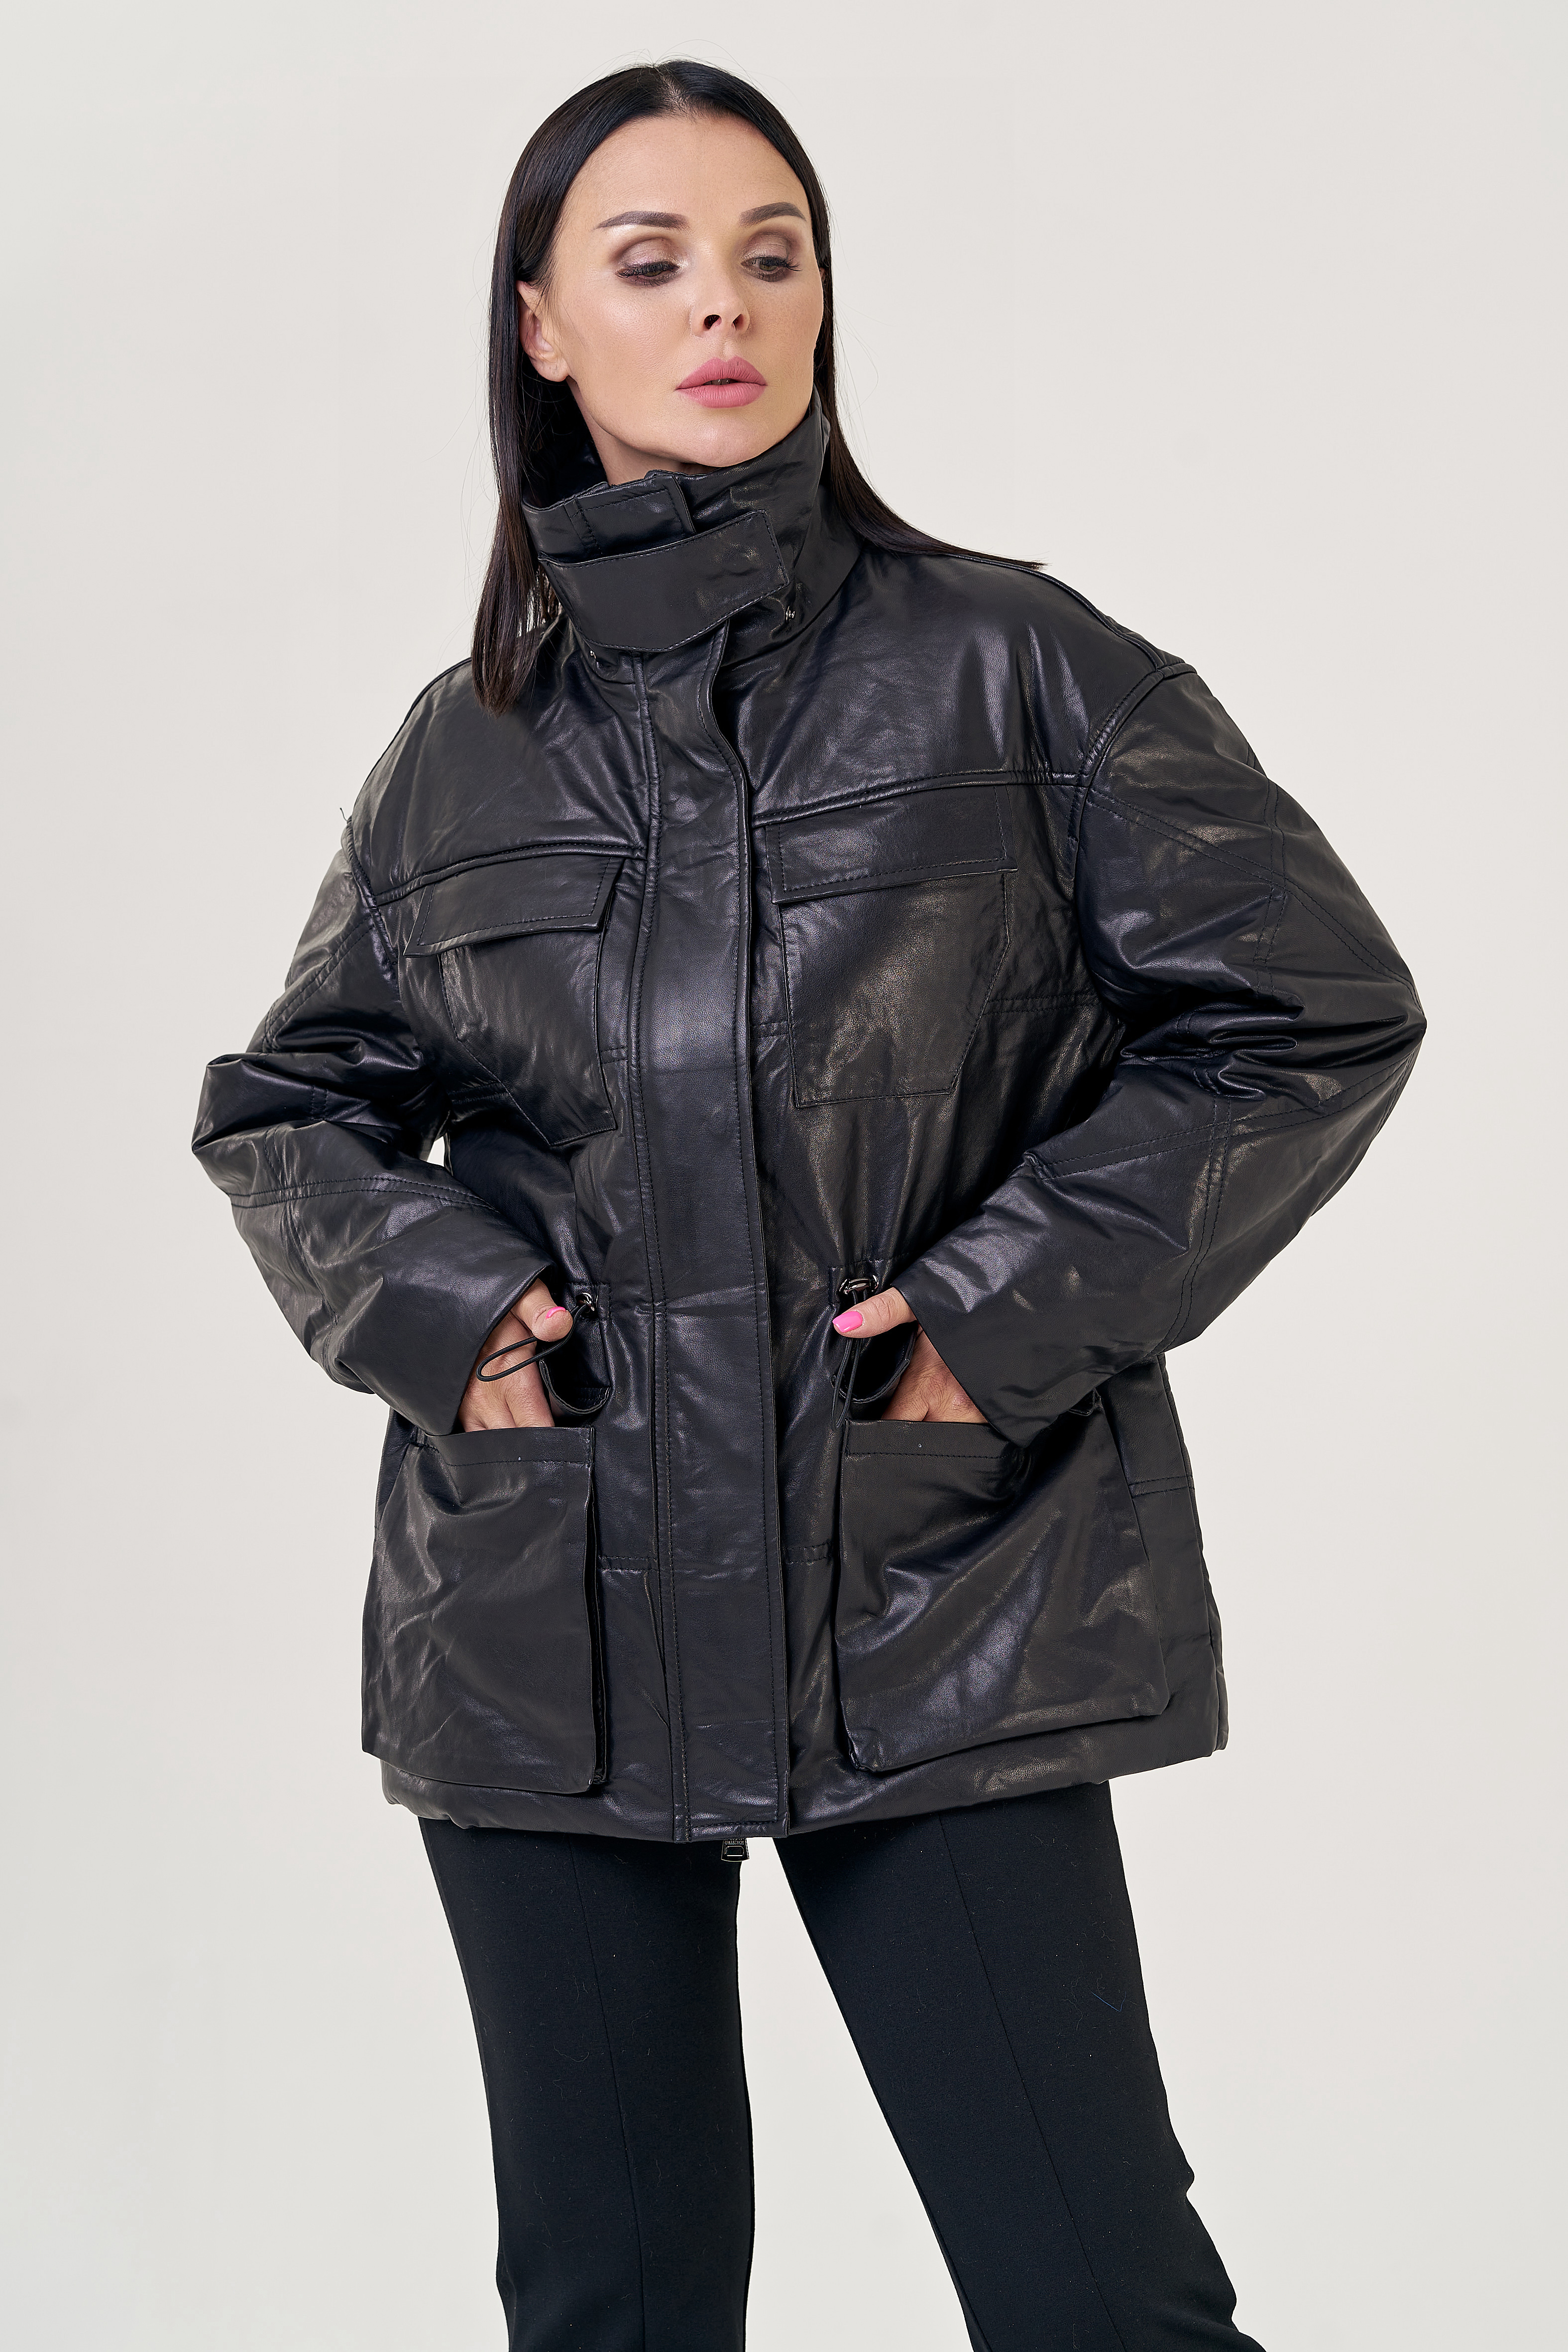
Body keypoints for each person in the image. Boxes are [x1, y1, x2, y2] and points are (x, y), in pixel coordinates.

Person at [193, 58, 1423, 2352]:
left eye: (772, 254)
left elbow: (1304, 1009)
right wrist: (460, 1314)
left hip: (933, 1580)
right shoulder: (461, 748)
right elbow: (289, 1109)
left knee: (1095, 2295)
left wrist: (999, 1308)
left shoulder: (1014, 668)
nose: (726, 306)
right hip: (545, 1614)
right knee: (611, 2306)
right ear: (540, 323)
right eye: (651, 260)